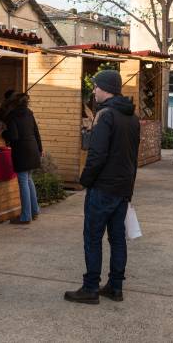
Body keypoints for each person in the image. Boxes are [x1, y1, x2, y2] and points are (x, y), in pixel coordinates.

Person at [64, 70, 140, 304]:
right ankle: (115, 287)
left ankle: (90, 288)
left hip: (103, 189)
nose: (94, 91)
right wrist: (129, 189)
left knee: (93, 238)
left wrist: (85, 180)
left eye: (96, 86)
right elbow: (132, 157)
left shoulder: (105, 115)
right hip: (122, 188)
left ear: (106, 88)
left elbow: (96, 155)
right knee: (117, 238)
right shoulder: (132, 117)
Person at [0, 92, 43, 224]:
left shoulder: (12, 116)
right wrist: (40, 149)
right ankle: (34, 211)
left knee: (23, 181)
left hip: (22, 151)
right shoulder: (29, 113)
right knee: (29, 180)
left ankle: (25, 216)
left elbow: (13, 136)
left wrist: (3, 134)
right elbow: (36, 132)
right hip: (33, 148)